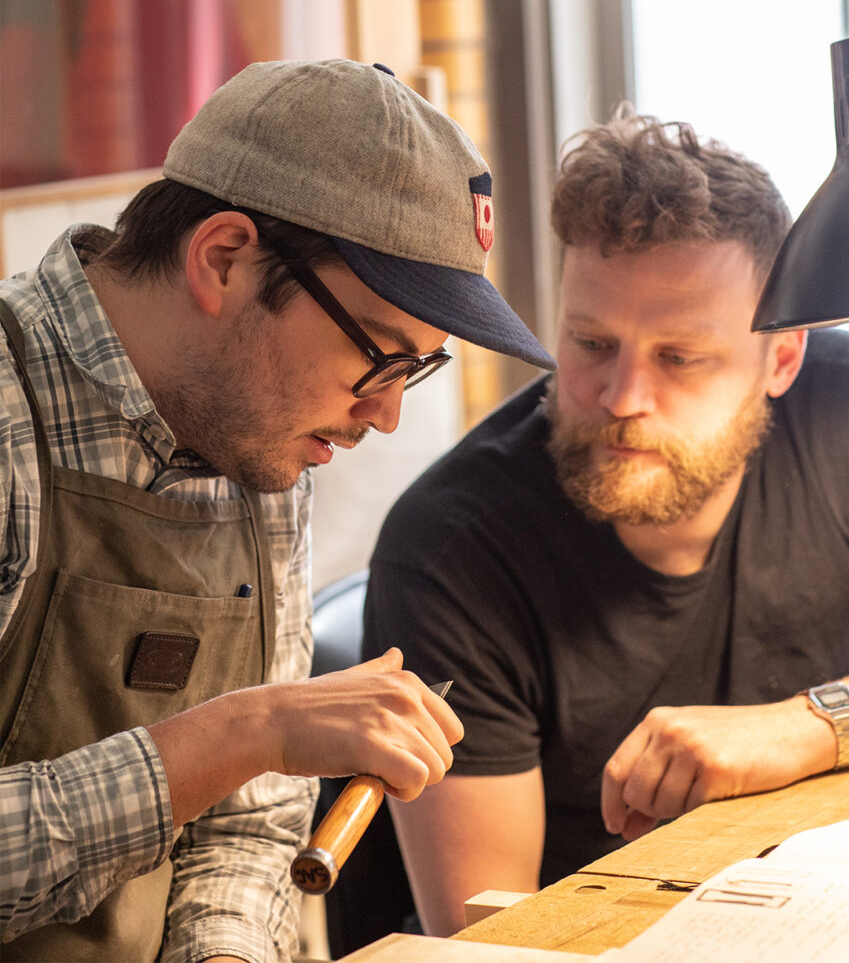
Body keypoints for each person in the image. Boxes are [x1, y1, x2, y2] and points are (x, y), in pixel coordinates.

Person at [0, 58, 555, 962]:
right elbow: (246, 755)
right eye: (380, 355)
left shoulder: (255, 441)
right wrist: (245, 730)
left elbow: (249, 828)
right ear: (224, 259)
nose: (386, 412)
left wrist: (223, 953)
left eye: (419, 368)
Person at [362, 108, 849, 935]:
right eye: (591, 344)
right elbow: (487, 937)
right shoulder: (452, 547)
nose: (622, 399)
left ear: (780, 358)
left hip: (824, 908)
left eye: (679, 358)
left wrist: (805, 728)